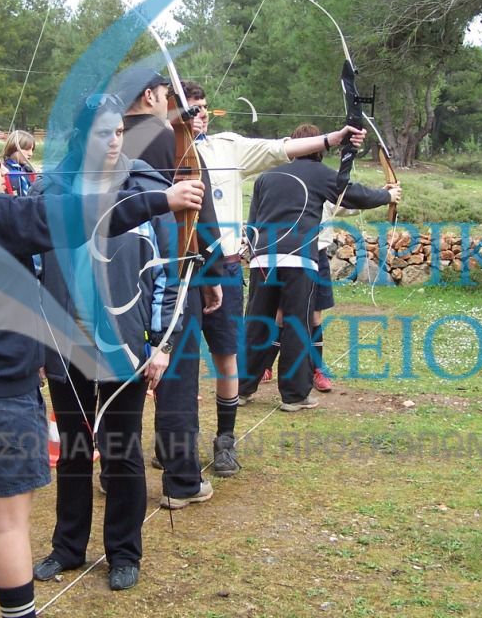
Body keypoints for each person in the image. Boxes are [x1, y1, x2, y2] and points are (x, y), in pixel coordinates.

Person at [0, 128, 204, 618]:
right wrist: (160, 198)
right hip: (1, 394)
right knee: (8, 527)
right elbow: (76, 218)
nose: (6, 171)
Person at [31, 96, 183, 592]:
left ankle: (123, 552)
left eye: (120, 131)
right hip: (66, 344)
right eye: (103, 133)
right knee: (75, 450)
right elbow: (31, 272)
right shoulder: (50, 190)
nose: (115, 140)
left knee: (121, 452)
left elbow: (165, 274)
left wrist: (160, 343)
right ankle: (67, 548)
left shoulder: (145, 188)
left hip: (125, 347)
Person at [182, 80, 367, 475]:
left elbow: (278, 147)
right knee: (177, 360)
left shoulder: (226, 147)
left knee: (227, 354)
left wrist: (336, 137)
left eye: (203, 108)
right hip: (176, 267)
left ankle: (225, 442)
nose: (199, 116)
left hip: (225, 265)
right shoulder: (157, 151)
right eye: (190, 108)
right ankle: (175, 441)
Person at [239, 124, 401, 410]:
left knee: (258, 323)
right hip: (299, 259)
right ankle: (294, 395)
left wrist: (253, 254)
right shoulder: (320, 174)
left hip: (262, 259)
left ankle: (241, 389)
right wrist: (387, 196)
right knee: (296, 324)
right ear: (318, 148)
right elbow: (354, 195)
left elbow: (253, 222)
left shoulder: (266, 177)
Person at [118, 68, 222, 510]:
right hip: (172, 272)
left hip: (117, 275)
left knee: (118, 372)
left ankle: (115, 473)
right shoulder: (170, 138)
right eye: (165, 94)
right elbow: (202, 206)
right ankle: (180, 480)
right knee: (176, 375)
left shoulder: (103, 139)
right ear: (149, 95)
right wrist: (212, 275)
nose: (168, 102)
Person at [2, 130, 37, 196]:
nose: (30, 154)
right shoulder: (3, 170)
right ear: (13, 147)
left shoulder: (29, 171)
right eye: (27, 149)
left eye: (32, 150)